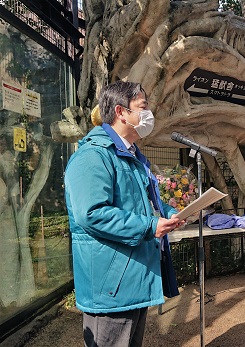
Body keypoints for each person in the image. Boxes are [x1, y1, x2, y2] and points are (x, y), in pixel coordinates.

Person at [64, 81, 183, 346]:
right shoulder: (93, 156)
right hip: (111, 284)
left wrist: (173, 213)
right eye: (143, 107)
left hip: (132, 277)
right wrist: (149, 227)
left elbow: (145, 202)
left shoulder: (131, 156)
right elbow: (92, 213)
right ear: (121, 112)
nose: (148, 114)